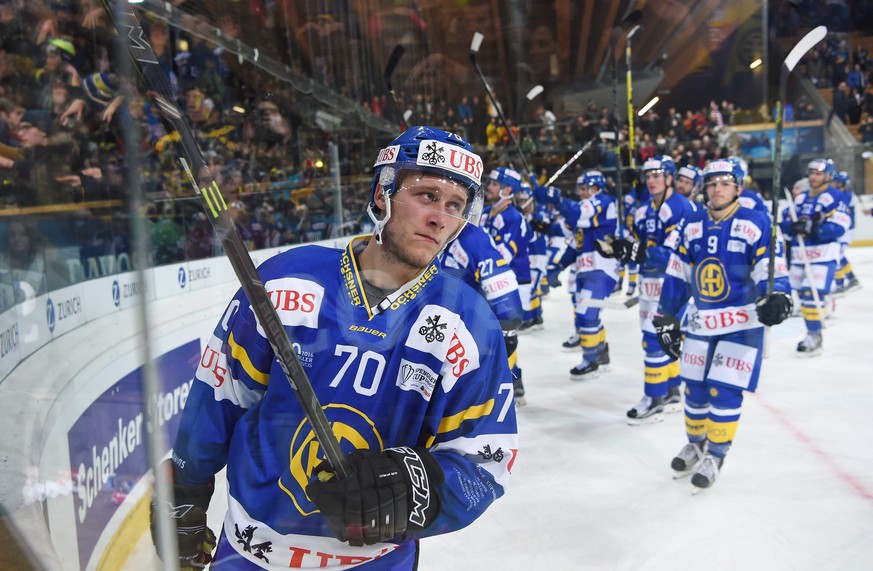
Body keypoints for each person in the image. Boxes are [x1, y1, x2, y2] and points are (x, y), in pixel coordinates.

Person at [154, 127, 518, 569]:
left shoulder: (470, 323)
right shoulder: (287, 282)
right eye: (426, 195)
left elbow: (486, 459)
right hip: (253, 554)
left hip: (374, 562)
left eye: (455, 205)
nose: (440, 217)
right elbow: (220, 394)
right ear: (383, 195)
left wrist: (421, 488)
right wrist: (185, 489)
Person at [652, 159, 792, 491]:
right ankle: (695, 443)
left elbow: (770, 267)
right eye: (711, 183)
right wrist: (666, 316)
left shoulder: (756, 222)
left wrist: (778, 296)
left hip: (741, 322)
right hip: (701, 322)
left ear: (738, 188)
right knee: (695, 390)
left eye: (725, 183)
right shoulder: (693, 223)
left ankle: (716, 453)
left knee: (724, 390)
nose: (717, 189)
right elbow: (677, 273)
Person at [595, 155, 695, 424]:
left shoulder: (681, 207)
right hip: (649, 282)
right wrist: (617, 247)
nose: (651, 180)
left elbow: (669, 254)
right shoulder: (642, 209)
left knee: (653, 340)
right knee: (663, 337)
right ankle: (673, 388)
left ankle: (654, 398)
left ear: (670, 178)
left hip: (673, 281)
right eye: (648, 176)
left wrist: (636, 251)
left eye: (657, 175)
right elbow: (635, 246)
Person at [535, 170, 618, 379]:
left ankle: (591, 361)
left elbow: (574, 214)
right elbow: (568, 238)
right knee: (588, 314)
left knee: (586, 314)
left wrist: (556, 198)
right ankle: (601, 354)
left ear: (595, 189)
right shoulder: (584, 219)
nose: (580, 193)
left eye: (583, 188)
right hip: (586, 269)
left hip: (601, 268)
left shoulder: (604, 201)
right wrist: (558, 266)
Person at [440, 222, 525, 405]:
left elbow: (500, 281)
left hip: (470, 325)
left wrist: (508, 326)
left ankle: (507, 388)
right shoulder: (438, 232)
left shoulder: (471, 238)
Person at [779, 158, 849, 355]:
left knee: (811, 294)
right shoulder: (800, 198)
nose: (813, 177)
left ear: (828, 176)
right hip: (801, 255)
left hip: (823, 255)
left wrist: (814, 228)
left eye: (818, 174)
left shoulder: (835, 196)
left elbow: (839, 226)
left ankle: (814, 335)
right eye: (811, 173)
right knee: (802, 295)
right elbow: (785, 221)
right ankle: (813, 328)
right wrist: (792, 227)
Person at [831, 170, 861, 294]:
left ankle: (840, 283)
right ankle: (851, 278)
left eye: (836, 181)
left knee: (837, 256)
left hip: (846, 230)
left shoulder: (846, 195)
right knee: (839, 255)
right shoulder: (844, 193)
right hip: (844, 229)